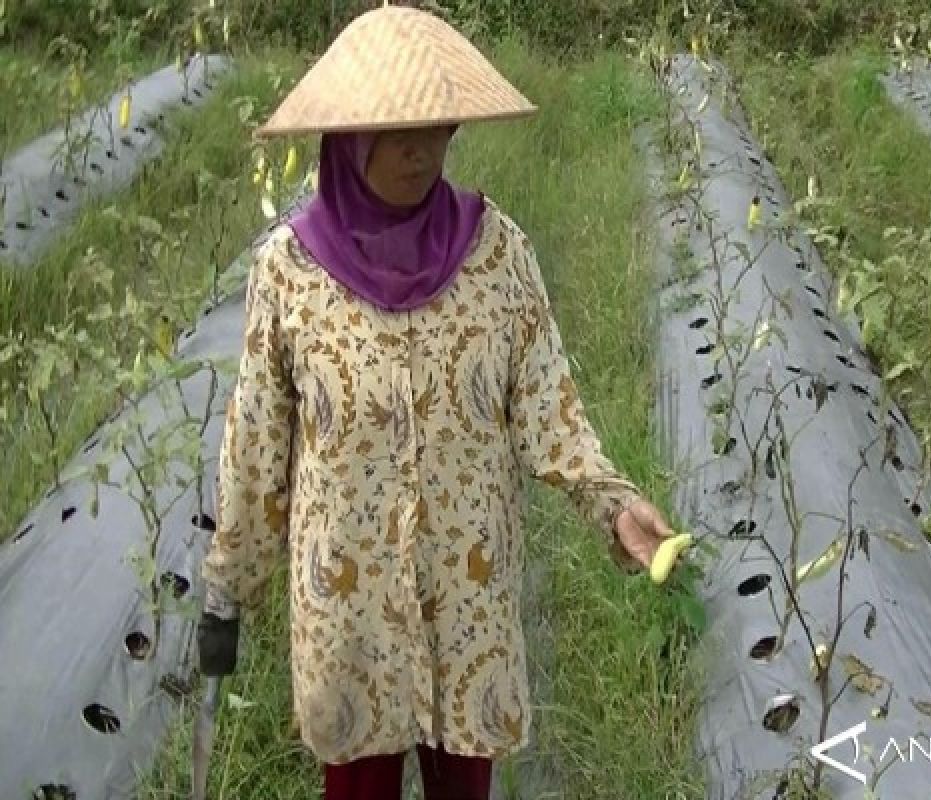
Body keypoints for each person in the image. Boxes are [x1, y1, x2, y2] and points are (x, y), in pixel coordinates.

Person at [195, 7, 678, 800]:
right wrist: (229, 584)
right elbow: (256, 448)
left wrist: (610, 502)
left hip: (468, 605)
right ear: (349, 135)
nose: (421, 149)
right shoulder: (289, 272)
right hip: (351, 622)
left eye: (436, 126)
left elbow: (548, 405)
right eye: (396, 129)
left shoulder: (497, 254)